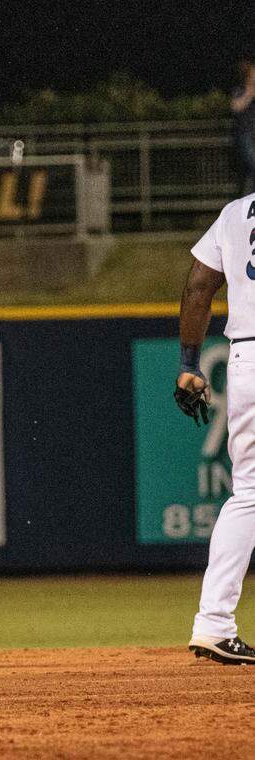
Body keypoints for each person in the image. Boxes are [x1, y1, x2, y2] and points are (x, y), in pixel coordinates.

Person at [176, 190, 255, 665]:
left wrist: (189, 362)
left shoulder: (235, 211)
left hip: (245, 358)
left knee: (248, 494)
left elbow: (199, 285)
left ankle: (213, 624)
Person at [232, 58, 255, 195]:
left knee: (248, 175)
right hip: (246, 136)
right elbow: (235, 107)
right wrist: (249, 94)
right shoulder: (239, 90)